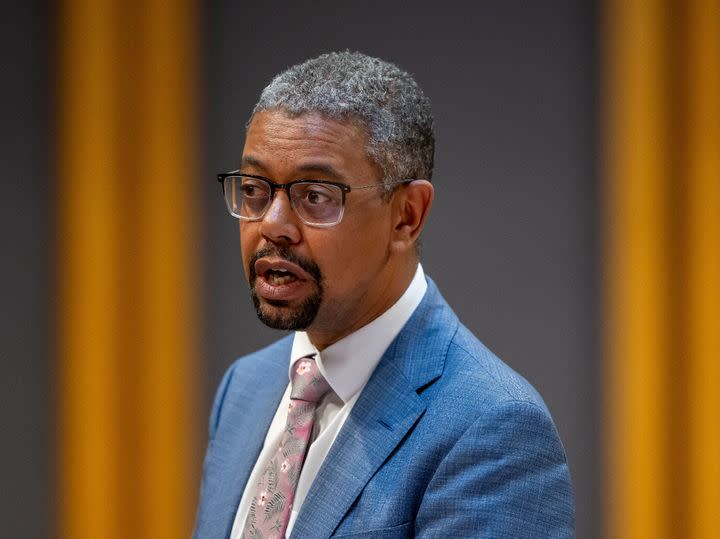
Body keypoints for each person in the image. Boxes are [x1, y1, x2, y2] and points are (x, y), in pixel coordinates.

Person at [193, 51, 573, 539]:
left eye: (315, 196)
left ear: (406, 216)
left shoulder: (492, 429)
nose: (272, 225)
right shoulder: (244, 388)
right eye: (255, 189)